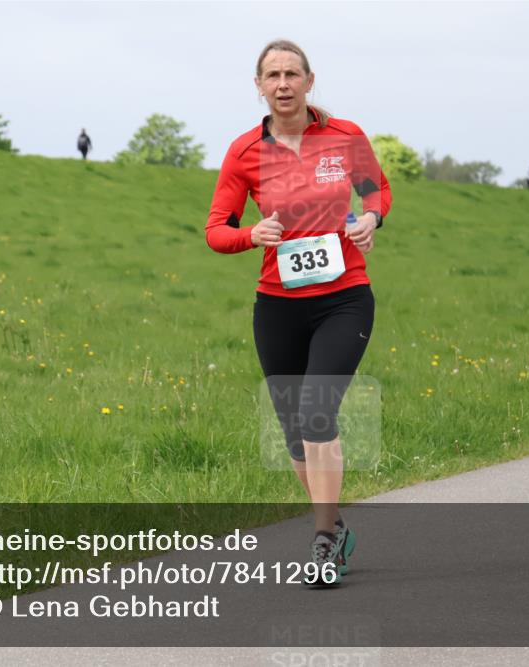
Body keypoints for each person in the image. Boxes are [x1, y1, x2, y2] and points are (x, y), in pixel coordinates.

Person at [205, 39, 391, 585]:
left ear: (310, 81)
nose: (282, 83)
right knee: (293, 433)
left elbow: (375, 188)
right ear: (259, 87)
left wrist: (371, 219)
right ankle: (335, 526)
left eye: (292, 73)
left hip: (344, 297)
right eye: (272, 75)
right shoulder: (244, 151)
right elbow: (216, 229)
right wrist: (250, 235)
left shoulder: (345, 136)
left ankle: (323, 542)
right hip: (278, 306)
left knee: (316, 412)